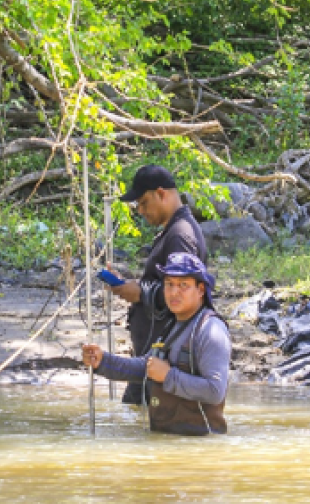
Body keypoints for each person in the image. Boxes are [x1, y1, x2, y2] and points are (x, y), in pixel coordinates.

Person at [82, 252, 231, 436]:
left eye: (183, 285)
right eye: (169, 284)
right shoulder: (173, 325)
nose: (174, 292)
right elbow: (148, 368)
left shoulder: (211, 330)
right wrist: (103, 362)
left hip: (200, 449)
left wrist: (169, 376)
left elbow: (215, 391)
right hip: (169, 445)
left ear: (201, 290)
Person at [108, 164, 208, 404]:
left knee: (144, 421)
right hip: (154, 355)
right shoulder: (172, 232)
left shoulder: (180, 235)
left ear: (161, 194)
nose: (140, 211)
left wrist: (140, 293)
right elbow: (166, 284)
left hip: (165, 358)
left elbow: (184, 296)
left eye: (143, 203)